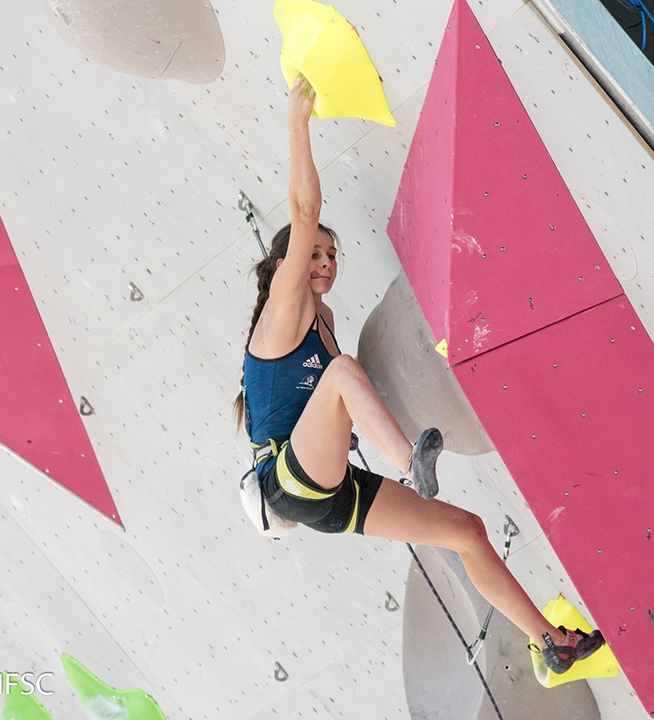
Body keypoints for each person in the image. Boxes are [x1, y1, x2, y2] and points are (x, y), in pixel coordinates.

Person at [233, 75, 605, 674]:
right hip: (289, 482)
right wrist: (297, 125)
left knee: (469, 531)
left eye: (331, 255)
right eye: (313, 254)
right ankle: (411, 462)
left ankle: (551, 643)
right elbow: (305, 210)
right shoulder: (281, 314)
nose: (324, 262)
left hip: (329, 497)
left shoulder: (320, 321)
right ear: (285, 266)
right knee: (345, 375)